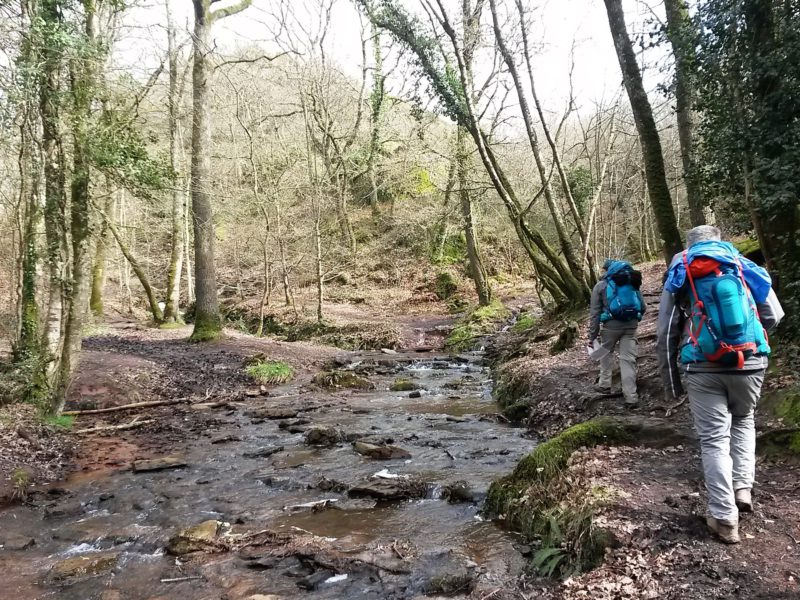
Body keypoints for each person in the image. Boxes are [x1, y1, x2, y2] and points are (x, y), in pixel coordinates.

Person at [656, 225, 784, 544]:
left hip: (703, 365)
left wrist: (672, 384)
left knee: (714, 440)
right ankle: (742, 489)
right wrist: (747, 342)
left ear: (689, 246)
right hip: (751, 363)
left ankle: (725, 518)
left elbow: (666, 333)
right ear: (720, 239)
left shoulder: (682, 271)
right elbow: (774, 314)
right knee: (743, 421)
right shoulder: (740, 265)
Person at [588, 259, 646, 406]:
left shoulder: (600, 286)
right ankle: (631, 396)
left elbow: (594, 313)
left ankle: (605, 384)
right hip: (631, 326)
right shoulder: (631, 282)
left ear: (607, 271)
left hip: (610, 326)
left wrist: (592, 336)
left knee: (605, 352)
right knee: (628, 360)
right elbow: (643, 306)